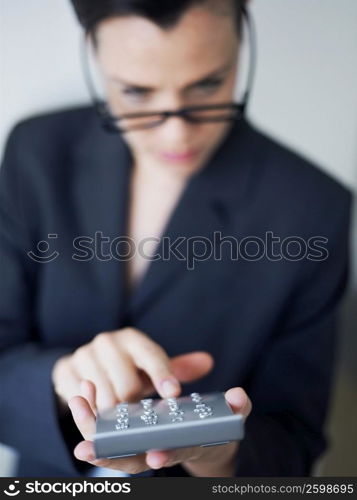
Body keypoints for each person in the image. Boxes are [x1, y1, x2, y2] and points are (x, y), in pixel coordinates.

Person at [0, 0, 352, 478]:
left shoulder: (314, 208)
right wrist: (64, 379)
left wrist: (219, 454)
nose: (177, 133)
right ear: (92, 53)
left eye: (207, 84)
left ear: (241, 42)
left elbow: (294, 442)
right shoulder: (34, 152)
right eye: (137, 92)